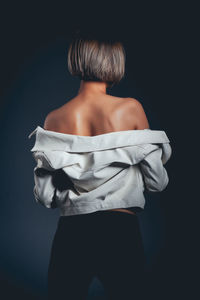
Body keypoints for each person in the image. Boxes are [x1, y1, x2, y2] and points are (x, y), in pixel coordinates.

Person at [28, 32, 172, 299]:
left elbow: (46, 197)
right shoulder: (130, 109)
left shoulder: (54, 118)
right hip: (120, 231)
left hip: (71, 233)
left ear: (77, 60)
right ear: (115, 62)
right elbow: (157, 183)